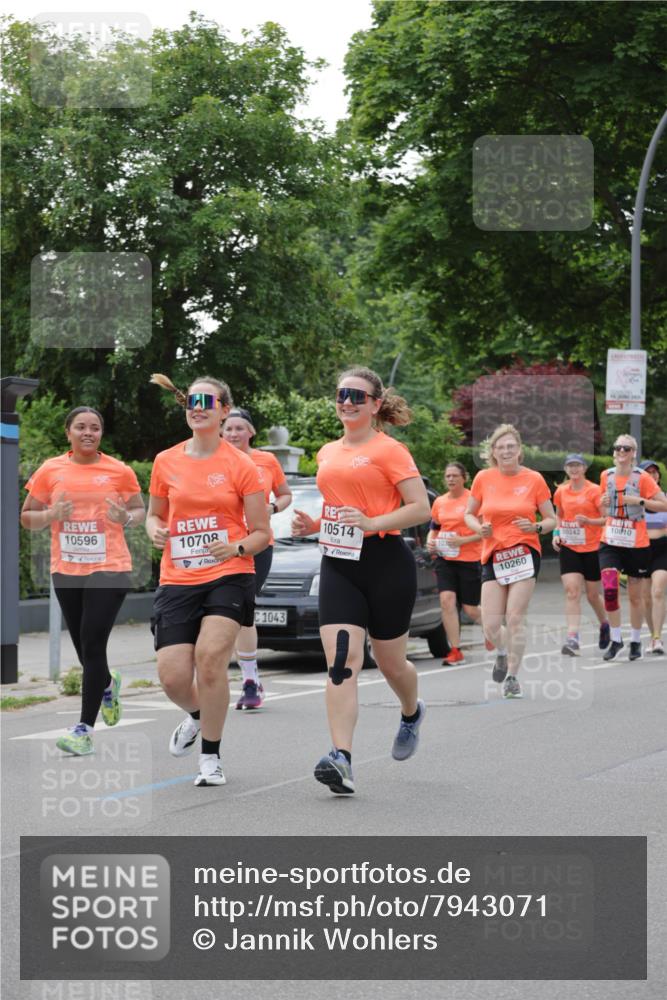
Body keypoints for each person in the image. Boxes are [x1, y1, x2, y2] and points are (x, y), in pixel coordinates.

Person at [291, 366, 431, 795]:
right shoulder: (326, 452)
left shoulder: (391, 451)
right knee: (341, 661)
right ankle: (341, 759)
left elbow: (420, 508)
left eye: (356, 395)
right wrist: (313, 523)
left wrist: (372, 523)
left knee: (391, 663)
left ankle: (411, 711)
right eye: (341, 394)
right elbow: (341, 507)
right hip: (338, 562)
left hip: (387, 561)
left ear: (374, 404)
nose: (347, 401)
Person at [147, 374, 270, 787]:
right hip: (178, 575)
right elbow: (154, 514)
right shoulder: (166, 461)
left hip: (229, 573)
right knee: (172, 676)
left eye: (206, 401)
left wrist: (236, 548)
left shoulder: (242, 465)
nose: (196, 407)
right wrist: (154, 530)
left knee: (211, 658)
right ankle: (200, 715)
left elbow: (260, 533)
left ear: (223, 410)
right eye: (191, 401)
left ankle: (210, 758)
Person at [21, 406, 145, 755]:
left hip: (110, 566)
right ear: (68, 433)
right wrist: (50, 514)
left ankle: (84, 730)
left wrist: (126, 517)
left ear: (101, 434)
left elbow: (138, 510)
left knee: (92, 643)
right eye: (81, 427)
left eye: (95, 427)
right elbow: (27, 517)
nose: (88, 432)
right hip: (68, 568)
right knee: (83, 647)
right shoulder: (50, 470)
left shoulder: (119, 470)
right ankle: (107, 682)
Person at [464, 424, 556, 698]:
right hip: (493, 553)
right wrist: (478, 529)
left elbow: (552, 520)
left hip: (524, 552)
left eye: (511, 447)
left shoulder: (534, 479)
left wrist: (536, 528)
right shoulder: (483, 478)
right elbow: (469, 514)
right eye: (501, 447)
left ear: (519, 451)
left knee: (515, 617)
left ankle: (513, 677)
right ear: (493, 451)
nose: (506, 451)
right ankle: (502, 652)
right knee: (491, 624)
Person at [222, 407, 293, 707]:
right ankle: (216, 679)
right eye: (229, 429)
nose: (234, 434)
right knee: (220, 614)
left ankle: (250, 681)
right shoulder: (213, 460)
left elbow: (285, 494)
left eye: (240, 428)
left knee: (242, 611)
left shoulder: (266, 460)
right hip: (220, 545)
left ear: (250, 432)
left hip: (257, 544)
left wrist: (272, 509)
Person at [598, 435, 667, 662]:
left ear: (633, 453)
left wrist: (638, 501)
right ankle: (616, 639)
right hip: (610, 539)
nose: (620, 451)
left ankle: (636, 640)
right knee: (609, 587)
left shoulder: (643, 478)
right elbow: (602, 506)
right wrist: (603, 503)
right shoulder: (605, 475)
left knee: (636, 597)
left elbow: (663, 504)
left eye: (626, 448)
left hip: (636, 542)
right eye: (617, 447)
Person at [426, 462, 483, 664]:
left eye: (454, 476)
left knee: (470, 609)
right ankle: (455, 650)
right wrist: (429, 542)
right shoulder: (440, 502)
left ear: (464, 478)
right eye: (447, 476)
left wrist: (463, 541)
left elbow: (484, 532)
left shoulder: (473, 501)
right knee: (447, 601)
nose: (450, 479)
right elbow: (434, 527)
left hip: (469, 559)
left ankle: (494, 630)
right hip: (445, 558)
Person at [552, 454, 609, 655]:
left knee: (593, 595)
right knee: (572, 591)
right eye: (570, 466)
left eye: (577, 466)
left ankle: (605, 624)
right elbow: (559, 516)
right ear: (566, 469)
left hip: (593, 547)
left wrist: (589, 522)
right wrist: (556, 534)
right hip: (569, 546)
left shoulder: (594, 491)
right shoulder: (560, 491)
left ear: (584, 468)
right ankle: (573, 638)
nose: (574, 469)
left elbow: (606, 519)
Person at [639, 460, 667, 655]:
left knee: (658, 591)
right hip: (641, 550)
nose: (652, 475)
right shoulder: (635, 501)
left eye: (654, 472)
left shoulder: (665, 499)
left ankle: (657, 639)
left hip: (663, 549)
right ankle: (652, 635)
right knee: (646, 598)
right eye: (647, 472)